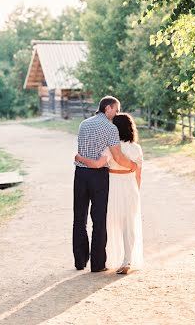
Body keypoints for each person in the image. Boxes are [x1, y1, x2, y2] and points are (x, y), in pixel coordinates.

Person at [73, 96, 137, 272]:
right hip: (99, 176)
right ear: (107, 108)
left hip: (80, 173)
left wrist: (79, 159)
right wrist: (133, 166)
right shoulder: (110, 128)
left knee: (79, 218)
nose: (116, 113)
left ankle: (80, 261)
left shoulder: (83, 124)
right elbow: (116, 156)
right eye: (115, 110)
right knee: (99, 220)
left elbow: (81, 150)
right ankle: (98, 264)